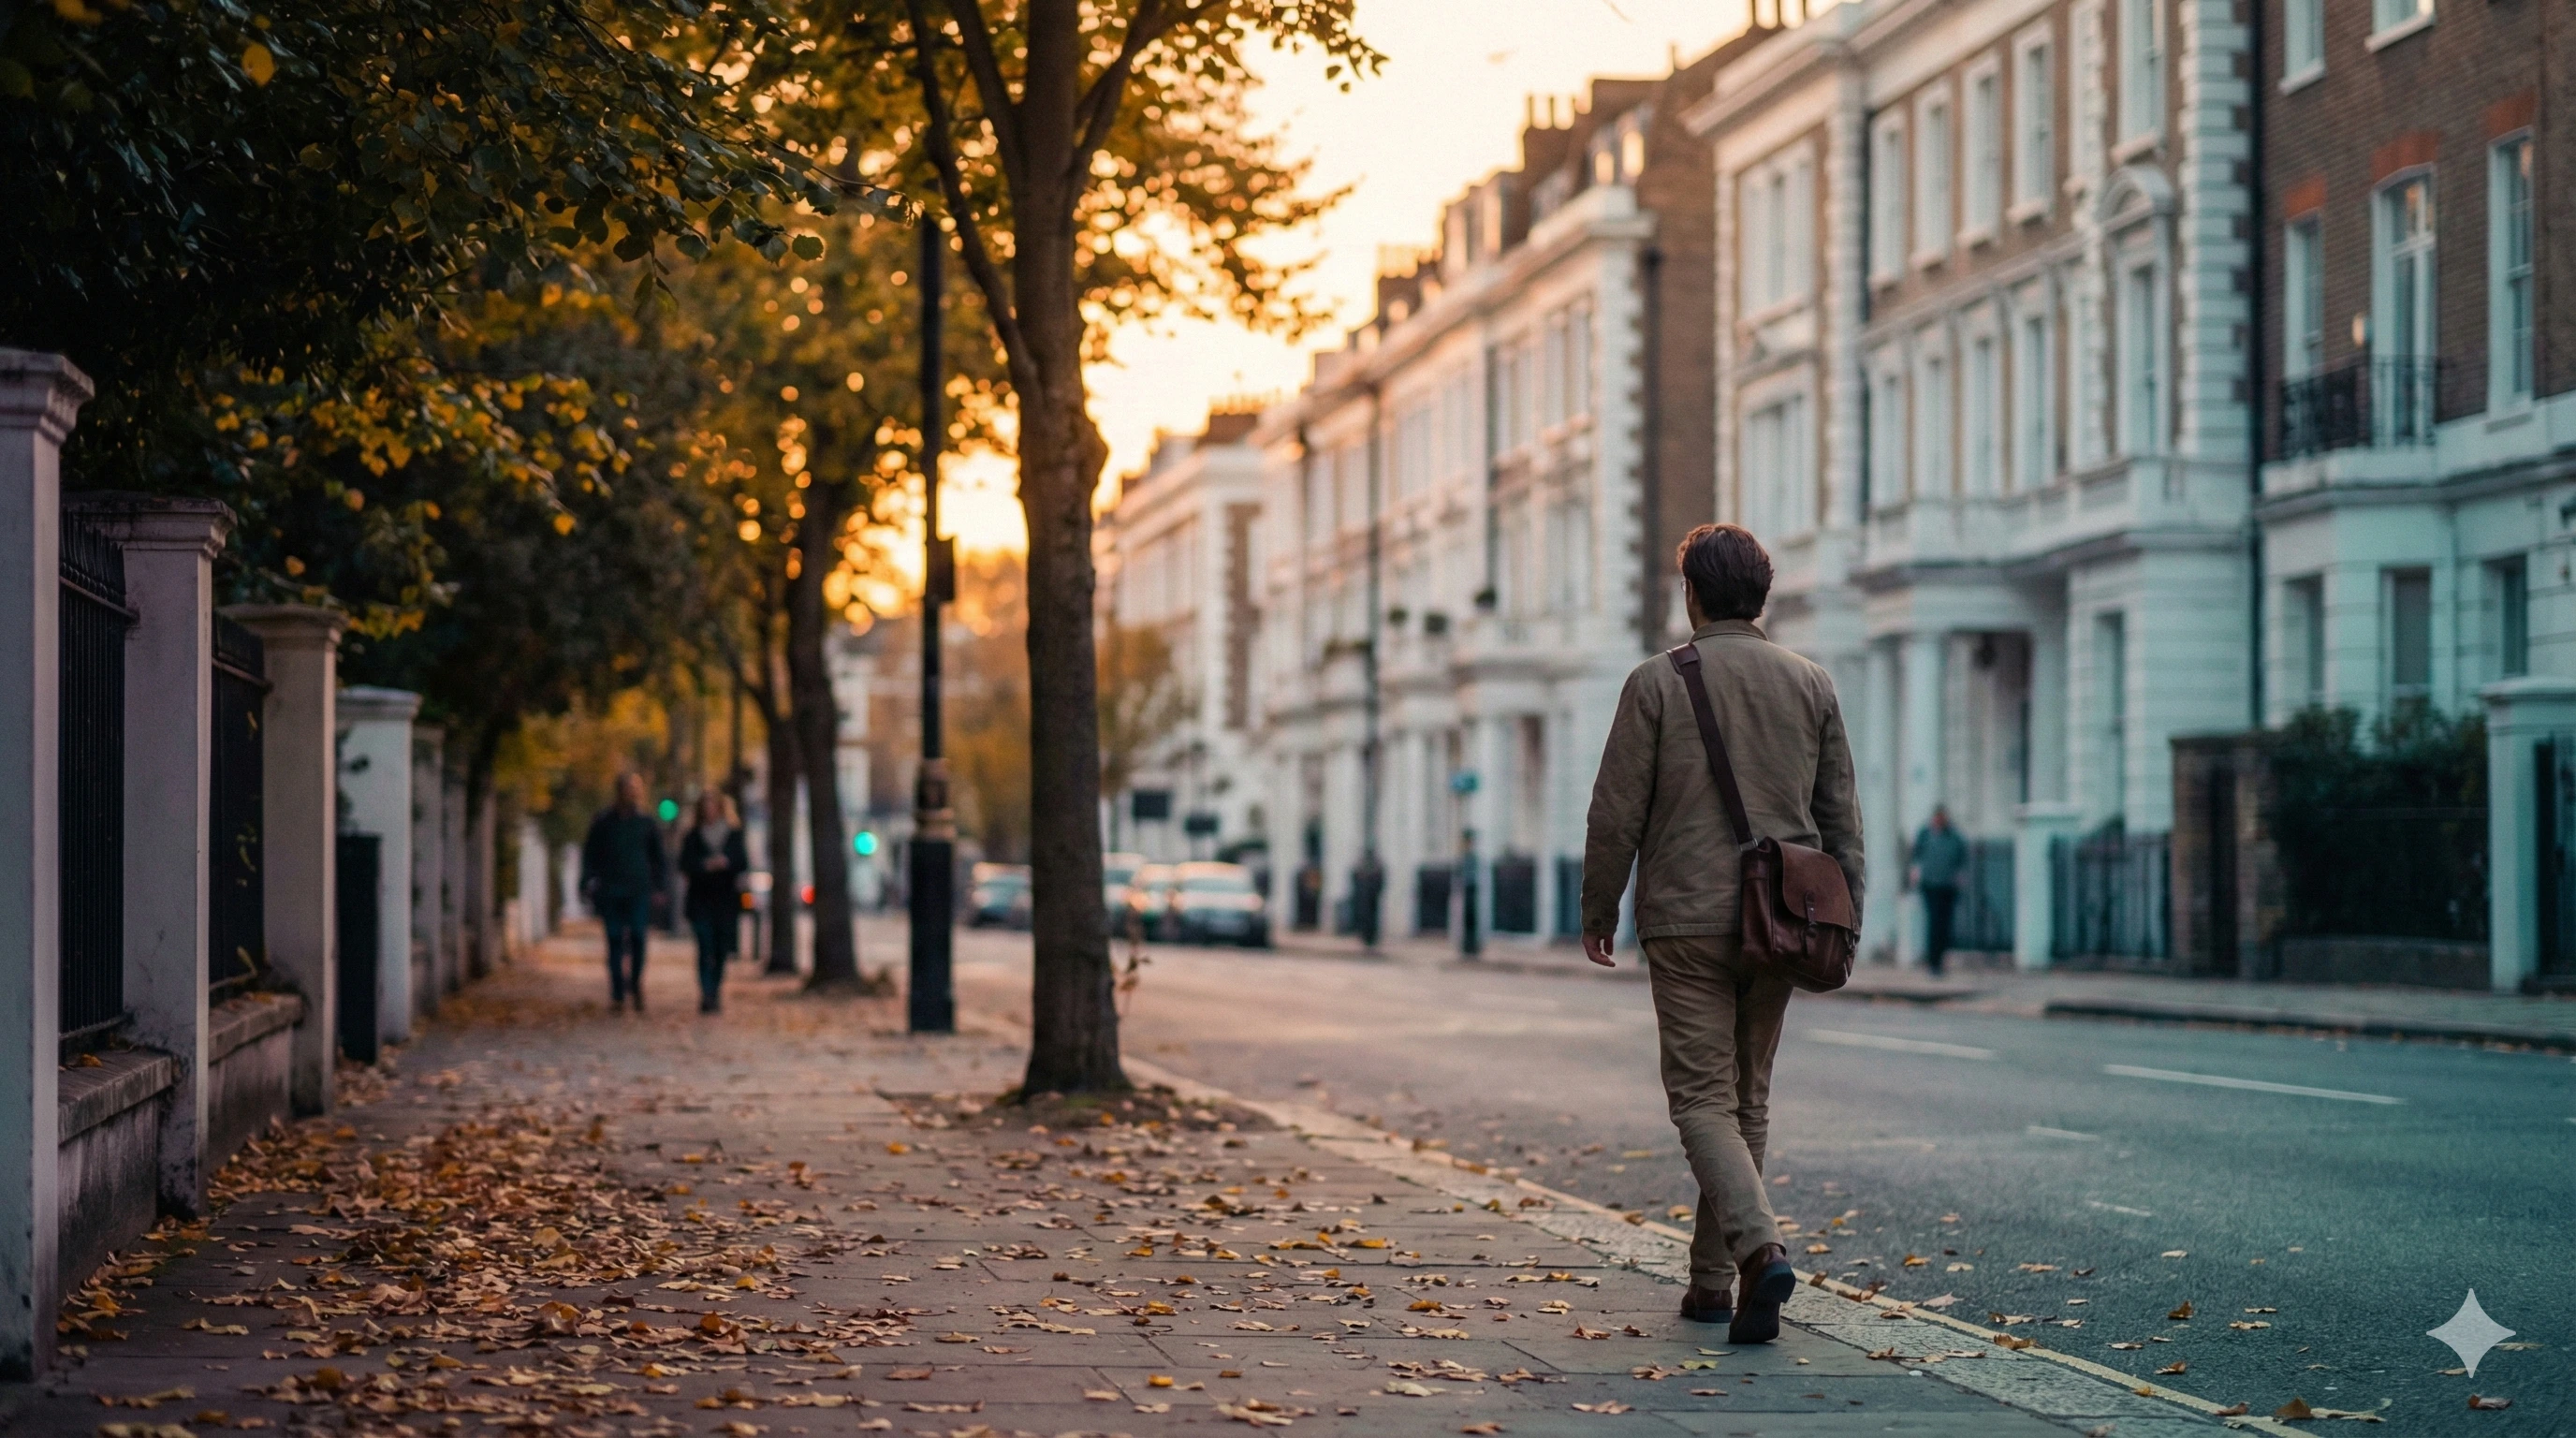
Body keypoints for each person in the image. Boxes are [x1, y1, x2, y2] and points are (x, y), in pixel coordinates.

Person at [1578, 523, 1864, 1345]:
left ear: (1692, 594)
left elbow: (1616, 809)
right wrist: (1844, 921)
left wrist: (1601, 910)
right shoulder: (1811, 682)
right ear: (1762, 597)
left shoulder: (1656, 683)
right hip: (1782, 917)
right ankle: (1713, 1289)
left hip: (1686, 916)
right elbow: (1841, 814)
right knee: (1748, 1099)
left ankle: (1758, 1250)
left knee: (1703, 1100)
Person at [581, 773, 668, 1012]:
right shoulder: (603, 821)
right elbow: (590, 854)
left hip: (639, 889)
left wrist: (660, 887)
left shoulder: (646, 822)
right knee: (614, 938)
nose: (631, 793)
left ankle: (636, 983)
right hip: (611, 889)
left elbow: (659, 858)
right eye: (628, 788)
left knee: (639, 936)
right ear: (619, 790)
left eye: (635, 788)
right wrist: (587, 881)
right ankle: (618, 992)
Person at [677, 791, 750, 1013]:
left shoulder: (733, 833)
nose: (709, 810)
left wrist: (726, 862)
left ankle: (715, 989)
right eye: (705, 806)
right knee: (704, 944)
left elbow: (742, 861)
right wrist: (704, 866)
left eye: (712, 805)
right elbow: (684, 863)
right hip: (700, 899)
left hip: (725, 900)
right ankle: (706, 992)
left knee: (720, 948)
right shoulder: (692, 835)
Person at [1910, 806, 1968, 978]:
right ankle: (1933, 962)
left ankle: (1940, 960)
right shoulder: (1925, 834)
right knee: (1934, 923)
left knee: (1944, 925)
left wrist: (1959, 875)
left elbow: (1961, 858)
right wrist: (1915, 871)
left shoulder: (1954, 836)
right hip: (1930, 885)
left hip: (1947, 885)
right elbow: (1916, 855)